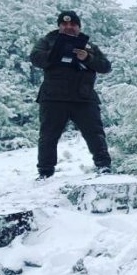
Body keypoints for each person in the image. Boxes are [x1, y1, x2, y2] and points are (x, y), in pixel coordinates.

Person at [29, 11, 112, 179]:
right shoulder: (47, 41)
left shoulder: (88, 46)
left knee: (95, 134)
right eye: (64, 24)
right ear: (59, 26)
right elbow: (35, 58)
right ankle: (45, 172)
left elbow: (105, 66)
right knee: (48, 136)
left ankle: (104, 166)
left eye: (72, 24)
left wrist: (87, 58)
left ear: (78, 27)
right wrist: (54, 54)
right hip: (53, 98)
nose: (68, 27)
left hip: (84, 98)